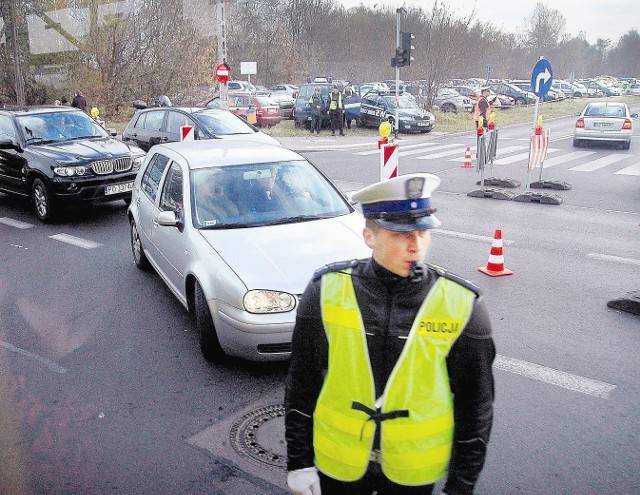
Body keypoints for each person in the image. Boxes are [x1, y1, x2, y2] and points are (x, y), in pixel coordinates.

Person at [285, 172, 495, 495]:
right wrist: (299, 463)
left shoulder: (462, 304)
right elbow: (301, 382)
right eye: (401, 234)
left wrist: (461, 487)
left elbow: (476, 406)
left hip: (413, 475)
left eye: (424, 232)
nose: (416, 245)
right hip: (338, 466)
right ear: (369, 236)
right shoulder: (326, 290)